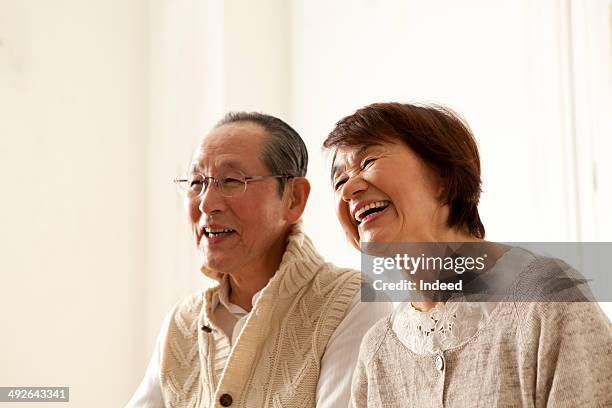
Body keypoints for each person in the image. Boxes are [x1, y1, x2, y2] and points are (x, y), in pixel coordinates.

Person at [322, 102, 612, 407]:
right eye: (339, 181)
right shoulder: (377, 350)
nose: (348, 190)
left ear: (442, 176)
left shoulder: (547, 298)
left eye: (368, 161)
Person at [126, 112, 392, 408]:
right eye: (197, 182)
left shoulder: (352, 302)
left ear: (293, 198)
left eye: (230, 180)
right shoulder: (182, 322)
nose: (206, 203)